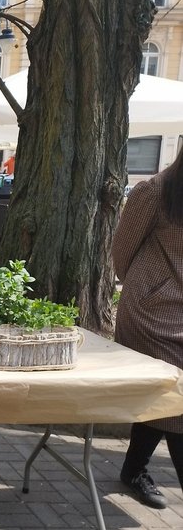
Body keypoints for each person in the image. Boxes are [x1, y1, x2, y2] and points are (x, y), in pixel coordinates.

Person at [113, 146, 183, 510]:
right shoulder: (154, 191)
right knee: (177, 401)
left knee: (165, 397)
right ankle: (135, 469)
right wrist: (152, 288)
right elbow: (121, 255)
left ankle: (133, 469)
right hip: (152, 313)